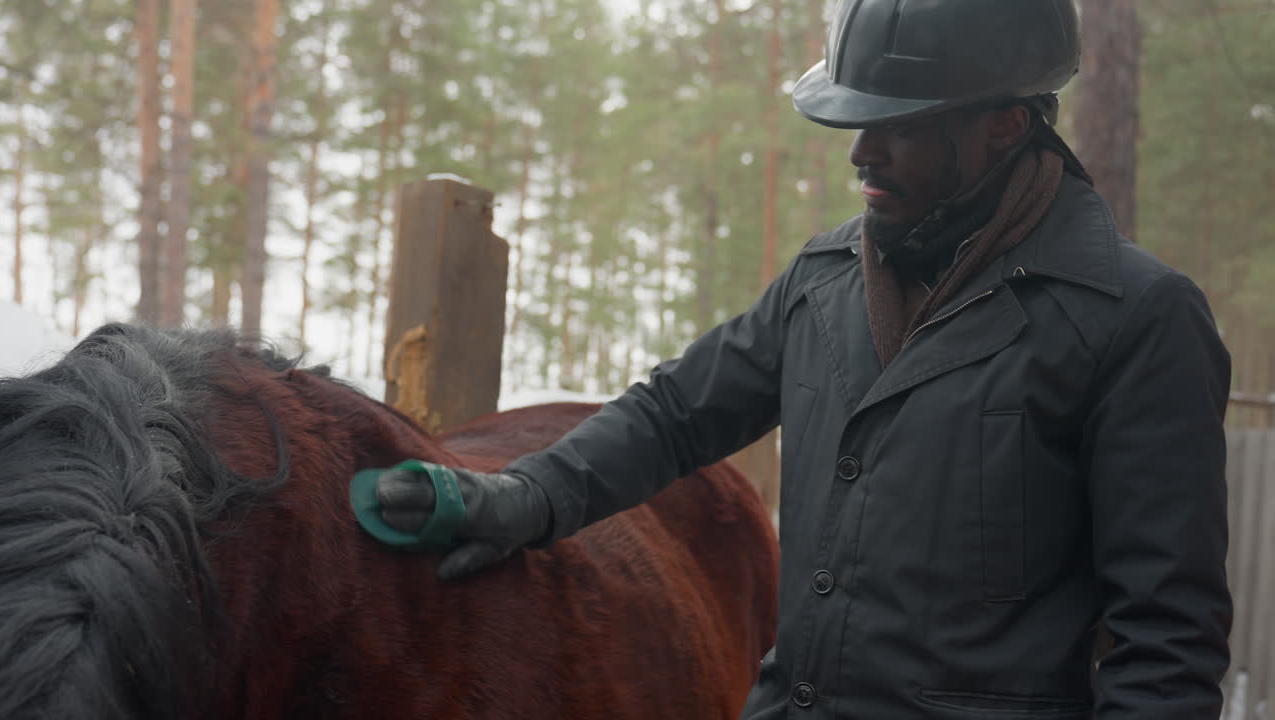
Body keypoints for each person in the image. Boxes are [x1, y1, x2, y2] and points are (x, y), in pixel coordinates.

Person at [373, 0, 1233, 716]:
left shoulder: (1136, 321)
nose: (862, 152)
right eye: (855, 122)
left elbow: (1166, 641)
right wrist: (530, 494)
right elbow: (676, 414)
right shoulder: (822, 284)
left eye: (896, 126)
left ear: (1007, 125)